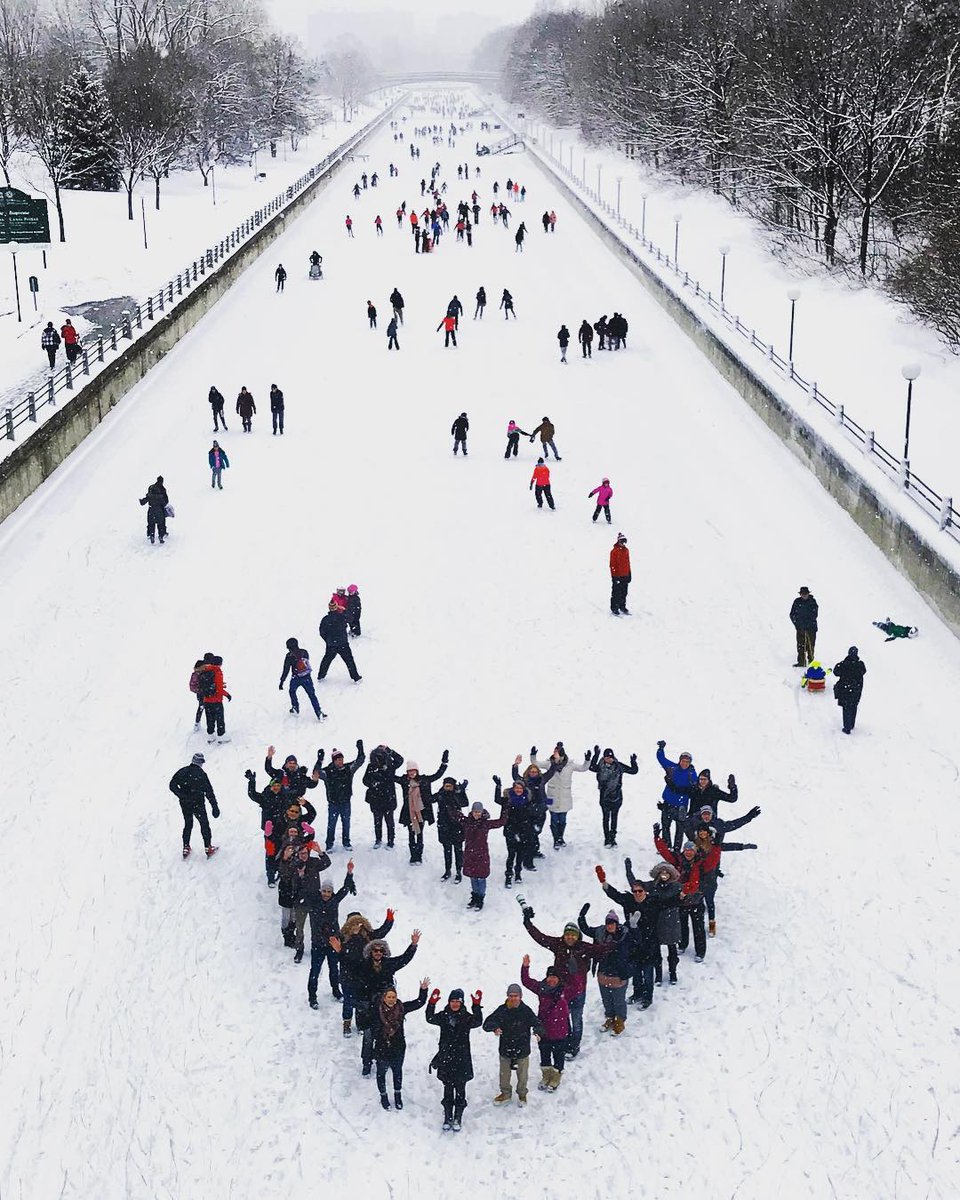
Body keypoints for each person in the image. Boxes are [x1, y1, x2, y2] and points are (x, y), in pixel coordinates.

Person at [520, 905, 610, 1060]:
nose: (570, 937)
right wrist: (527, 922)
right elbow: (539, 937)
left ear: (578, 937)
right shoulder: (558, 945)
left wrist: (622, 935)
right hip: (561, 993)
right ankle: (566, 1043)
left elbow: (605, 949)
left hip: (579, 993)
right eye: (567, 934)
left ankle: (574, 1046)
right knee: (563, 1019)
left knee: (576, 1019)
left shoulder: (584, 948)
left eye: (573, 935)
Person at [333, 930, 420, 1077]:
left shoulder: (389, 964)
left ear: (384, 952)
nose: (378, 953)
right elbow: (347, 963)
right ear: (370, 952)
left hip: (387, 1007)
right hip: (367, 1007)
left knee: (389, 1036)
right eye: (375, 950)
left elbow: (404, 959)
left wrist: (413, 945)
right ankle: (366, 1063)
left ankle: (387, 1061)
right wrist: (340, 951)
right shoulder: (363, 964)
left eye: (381, 950)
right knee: (368, 1037)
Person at [597, 865, 662, 1006]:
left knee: (648, 973)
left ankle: (648, 997)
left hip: (650, 943)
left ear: (645, 891)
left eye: (640, 891)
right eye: (634, 891)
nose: (637, 893)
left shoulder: (653, 902)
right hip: (632, 942)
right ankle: (637, 993)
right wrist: (604, 883)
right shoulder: (628, 900)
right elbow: (615, 895)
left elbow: (669, 901)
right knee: (636, 971)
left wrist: (682, 895)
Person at [361, 978, 429, 1110]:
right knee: (381, 1073)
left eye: (394, 997)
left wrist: (423, 990)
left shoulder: (402, 1008)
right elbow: (364, 1023)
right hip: (381, 1046)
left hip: (398, 1046)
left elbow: (419, 1003)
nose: (391, 999)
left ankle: (397, 1094)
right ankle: (383, 1096)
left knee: (397, 1071)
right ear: (384, 998)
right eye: (389, 997)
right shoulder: (376, 1010)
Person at [426, 987, 483, 1130]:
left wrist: (476, 1006)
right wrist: (431, 1003)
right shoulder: (444, 1016)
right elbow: (430, 1018)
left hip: (461, 1059)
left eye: (458, 1001)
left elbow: (478, 1022)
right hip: (446, 1058)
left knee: (460, 1089)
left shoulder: (467, 1017)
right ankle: (447, 1117)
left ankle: (458, 1117)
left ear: (462, 1002)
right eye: (452, 1001)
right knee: (447, 1090)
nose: (455, 1004)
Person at [654, 829, 712, 962]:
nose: (689, 852)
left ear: (695, 851)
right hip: (681, 899)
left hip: (696, 899)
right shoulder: (678, 860)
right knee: (682, 924)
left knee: (698, 927)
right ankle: (682, 944)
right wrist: (657, 838)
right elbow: (665, 853)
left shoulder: (701, 863)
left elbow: (712, 862)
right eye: (687, 850)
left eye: (691, 850)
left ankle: (700, 951)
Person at [482, 982, 544, 1107]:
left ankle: (522, 1093)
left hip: (522, 1048)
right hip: (506, 1047)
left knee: (523, 1074)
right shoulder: (502, 1010)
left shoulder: (525, 1010)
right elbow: (487, 1024)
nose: (513, 998)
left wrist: (537, 1031)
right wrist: (495, 1027)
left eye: (516, 996)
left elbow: (537, 1023)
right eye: (511, 995)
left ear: (520, 996)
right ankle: (505, 1093)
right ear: (507, 996)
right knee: (504, 1074)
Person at [336, 910, 394, 1038]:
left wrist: (389, 920)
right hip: (347, 976)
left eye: (359, 923)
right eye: (353, 923)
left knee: (361, 1001)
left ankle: (360, 1023)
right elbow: (339, 954)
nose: (356, 926)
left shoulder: (367, 935)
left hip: (363, 976)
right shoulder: (343, 937)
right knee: (348, 1001)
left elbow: (382, 932)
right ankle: (347, 1023)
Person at [576, 906, 632, 1034]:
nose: (610, 926)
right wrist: (581, 916)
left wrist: (633, 927)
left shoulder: (625, 934)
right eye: (608, 923)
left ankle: (620, 1021)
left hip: (619, 973)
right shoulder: (600, 932)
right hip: (604, 971)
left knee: (618, 1000)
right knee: (606, 999)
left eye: (612, 923)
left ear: (617, 924)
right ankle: (610, 1018)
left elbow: (637, 940)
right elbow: (585, 929)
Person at [520, 956, 571, 1091]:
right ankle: (546, 1075)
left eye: (555, 977)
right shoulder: (541, 988)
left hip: (560, 1030)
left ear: (559, 979)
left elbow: (579, 986)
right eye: (550, 977)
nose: (552, 979)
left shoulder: (565, 990)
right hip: (544, 1030)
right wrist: (525, 967)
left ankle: (556, 1077)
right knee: (544, 1054)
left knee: (559, 1055)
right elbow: (526, 981)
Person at [530, 743, 591, 848]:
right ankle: (556, 839)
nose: (557, 758)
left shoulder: (570, 765)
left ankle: (560, 837)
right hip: (551, 796)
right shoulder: (549, 764)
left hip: (564, 797)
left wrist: (587, 760)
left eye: (559, 756)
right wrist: (533, 755)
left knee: (562, 820)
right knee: (553, 819)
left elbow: (583, 768)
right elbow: (535, 763)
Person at [397, 754, 448, 864]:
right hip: (409, 812)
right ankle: (412, 855)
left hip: (422, 811)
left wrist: (444, 764)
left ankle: (418, 855)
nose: (411, 773)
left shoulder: (424, 780)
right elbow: (391, 777)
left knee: (419, 833)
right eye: (409, 771)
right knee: (411, 833)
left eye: (413, 770)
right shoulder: (404, 781)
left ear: (417, 771)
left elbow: (437, 775)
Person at [457, 797, 506, 907]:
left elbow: (501, 822)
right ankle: (475, 896)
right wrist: (457, 796)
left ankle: (481, 898)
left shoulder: (486, 824)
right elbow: (455, 814)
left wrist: (505, 806)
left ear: (482, 812)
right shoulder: (467, 822)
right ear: (472, 811)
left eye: (478, 812)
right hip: (470, 854)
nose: (476, 814)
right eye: (475, 811)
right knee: (473, 877)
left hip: (481, 854)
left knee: (481, 878)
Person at [169, 752, 219, 858]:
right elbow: (209, 792)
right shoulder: (201, 774)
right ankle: (208, 847)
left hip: (185, 803)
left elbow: (172, 785)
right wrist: (214, 806)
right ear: (201, 763)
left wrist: (181, 795)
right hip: (198, 803)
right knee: (204, 824)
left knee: (188, 823)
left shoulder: (183, 771)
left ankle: (186, 847)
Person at [317, 741, 365, 850]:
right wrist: (319, 759)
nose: (340, 761)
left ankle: (346, 842)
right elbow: (317, 772)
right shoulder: (327, 772)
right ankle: (329, 844)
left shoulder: (348, 769)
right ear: (334, 761)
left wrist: (360, 749)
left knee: (346, 823)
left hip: (346, 802)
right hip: (333, 803)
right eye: (338, 760)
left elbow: (359, 761)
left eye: (341, 759)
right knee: (331, 824)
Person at [589, 745, 639, 847]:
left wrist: (633, 761)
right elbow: (591, 767)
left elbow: (634, 771)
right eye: (607, 757)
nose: (609, 759)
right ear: (604, 757)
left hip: (617, 797)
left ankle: (613, 838)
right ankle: (607, 839)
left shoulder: (619, 766)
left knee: (614, 818)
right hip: (604, 797)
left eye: (610, 757)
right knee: (606, 818)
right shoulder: (600, 766)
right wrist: (595, 755)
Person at [655, 741, 697, 853]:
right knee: (665, 826)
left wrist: (680, 790)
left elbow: (694, 789)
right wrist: (661, 748)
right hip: (667, 803)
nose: (685, 763)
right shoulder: (672, 768)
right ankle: (666, 847)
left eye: (687, 762)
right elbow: (661, 759)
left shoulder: (692, 774)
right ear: (680, 761)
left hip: (681, 807)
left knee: (680, 829)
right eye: (683, 761)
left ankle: (677, 850)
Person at [363, 745, 405, 848]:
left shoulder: (390, 765)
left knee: (389, 821)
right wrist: (373, 784)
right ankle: (378, 840)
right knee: (377, 821)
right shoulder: (371, 767)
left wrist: (390, 750)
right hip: (376, 799)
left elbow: (400, 760)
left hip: (388, 798)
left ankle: (391, 841)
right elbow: (365, 780)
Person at [278, 637, 325, 719]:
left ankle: (295, 707)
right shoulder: (304, 652)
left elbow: (286, 669)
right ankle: (318, 712)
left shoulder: (289, 656)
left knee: (292, 691)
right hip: (306, 677)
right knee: (311, 695)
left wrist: (282, 681)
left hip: (295, 678)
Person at [317, 601, 362, 682]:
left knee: (326, 660)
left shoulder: (325, 619)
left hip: (331, 644)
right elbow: (351, 619)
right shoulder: (342, 617)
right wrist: (344, 610)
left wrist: (328, 640)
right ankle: (355, 677)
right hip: (342, 643)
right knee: (349, 660)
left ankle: (321, 675)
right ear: (336, 607)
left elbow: (322, 632)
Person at [435, 778, 468, 883]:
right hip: (444, 827)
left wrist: (462, 791)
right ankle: (447, 870)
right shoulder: (441, 794)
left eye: (450, 786)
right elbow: (430, 799)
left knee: (458, 851)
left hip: (457, 826)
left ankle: (459, 871)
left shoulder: (457, 794)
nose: (448, 788)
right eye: (446, 786)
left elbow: (465, 803)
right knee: (447, 850)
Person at [196, 651, 231, 743]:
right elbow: (219, 689)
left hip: (207, 699)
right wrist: (227, 694)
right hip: (216, 700)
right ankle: (221, 736)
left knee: (209, 718)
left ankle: (210, 735)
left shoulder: (204, 670)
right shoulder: (217, 671)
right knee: (219, 718)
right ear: (219, 664)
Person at [834, 646, 866, 734]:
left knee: (846, 708)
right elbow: (864, 671)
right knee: (853, 706)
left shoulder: (844, 664)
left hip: (845, 690)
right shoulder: (860, 665)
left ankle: (847, 727)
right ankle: (851, 724)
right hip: (856, 690)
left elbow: (836, 672)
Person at [790, 585, 819, 667]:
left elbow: (814, 614)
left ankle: (811, 660)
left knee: (811, 645)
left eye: (805, 594)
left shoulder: (812, 602)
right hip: (800, 628)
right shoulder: (797, 602)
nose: (804, 595)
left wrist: (807, 624)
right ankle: (801, 661)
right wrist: (798, 624)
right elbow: (792, 614)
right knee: (800, 645)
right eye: (802, 594)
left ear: (808, 594)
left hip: (811, 628)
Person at [139, 476, 169, 544]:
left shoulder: (151, 488)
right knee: (161, 523)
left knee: (151, 523)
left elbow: (145, 500)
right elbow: (166, 501)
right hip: (159, 510)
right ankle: (161, 536)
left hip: (151, 509)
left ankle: (151, 535)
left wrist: (142, 501)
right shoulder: (162, 489)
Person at [609, 533, 631, 615]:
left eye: (625, 542)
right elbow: (612, 564)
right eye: (622, 541)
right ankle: (614, 607)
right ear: (618, 541)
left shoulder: (626, 550)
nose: (624, 543)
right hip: (617, 576)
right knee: (616, 592)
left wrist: (629, 573)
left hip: (625, 575)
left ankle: (622, 606)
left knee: (624, 592)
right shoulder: (614, 551)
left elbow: (628, 563)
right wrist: (614, 576)